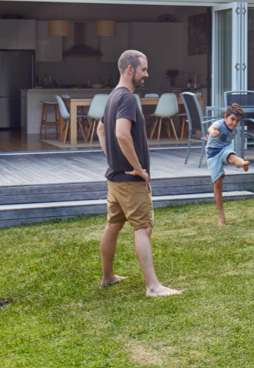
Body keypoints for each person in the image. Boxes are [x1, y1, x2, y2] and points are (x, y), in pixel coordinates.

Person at [95, 50, 182, 297]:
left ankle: (108, 277)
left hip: (115, 177)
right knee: (142, 227)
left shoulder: (112, 97)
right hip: (129, 179)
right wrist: (137, 168)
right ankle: (153, 287)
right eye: (143, 69)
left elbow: (101, 130)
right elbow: (121, 134)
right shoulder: (128, 99)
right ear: (130, 70)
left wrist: (113, 158)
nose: (147, 74)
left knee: (113, 224)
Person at [204, 103, 250, 226]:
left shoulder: (235, 130)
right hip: (213, 154)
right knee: (218, 184)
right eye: (232, 119)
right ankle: (221, 217)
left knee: (232, 157)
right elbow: (211, 128)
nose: (234, 123)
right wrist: (212, 133)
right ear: (225, 117)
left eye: (237, 121)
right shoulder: (219, 124)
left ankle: (243, 164)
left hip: (224, 149)